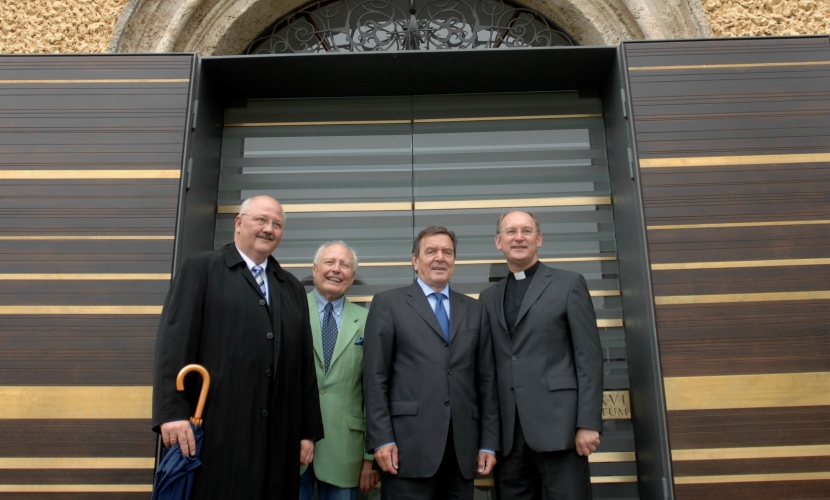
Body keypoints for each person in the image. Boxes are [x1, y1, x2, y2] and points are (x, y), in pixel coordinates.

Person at [152, 195, 324, 499]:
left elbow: (303, 367)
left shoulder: (292, 287)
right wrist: (172, 412)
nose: (269, 229)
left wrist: (307, 432)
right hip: (217, 433)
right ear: (239, 223)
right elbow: (173, 344)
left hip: (277, 442)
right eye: (261, 220)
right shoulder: (201, 268)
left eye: (277, 224)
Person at [363, 226, 499, 500]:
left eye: (447, 252)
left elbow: (486, 380)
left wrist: (488, 443)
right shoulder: (388, 303)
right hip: (406, 450)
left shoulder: (475, 309)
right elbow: (375, 377)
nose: (440, 257)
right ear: (415, 260)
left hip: (462, 452)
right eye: (431, 251)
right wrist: (382, 439)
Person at [479, 210, 603, 500]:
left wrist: (588, 423)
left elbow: (589, 357)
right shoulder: (488, 298)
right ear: (499, 241)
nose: (518, 237)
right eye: (510, 232)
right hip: (509, 439)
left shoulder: (569, 284)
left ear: (539, 238)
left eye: (526, 230)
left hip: (561, 431)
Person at [300, 241, 379, 499]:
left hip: (347, 450)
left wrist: (370, 457)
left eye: (344, 265)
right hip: (292, 442)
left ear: (352, 277)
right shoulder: (291, 310)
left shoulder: (369, 321)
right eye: (329, 262)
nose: (337, 269)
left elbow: (374, 390)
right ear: (314, 270)